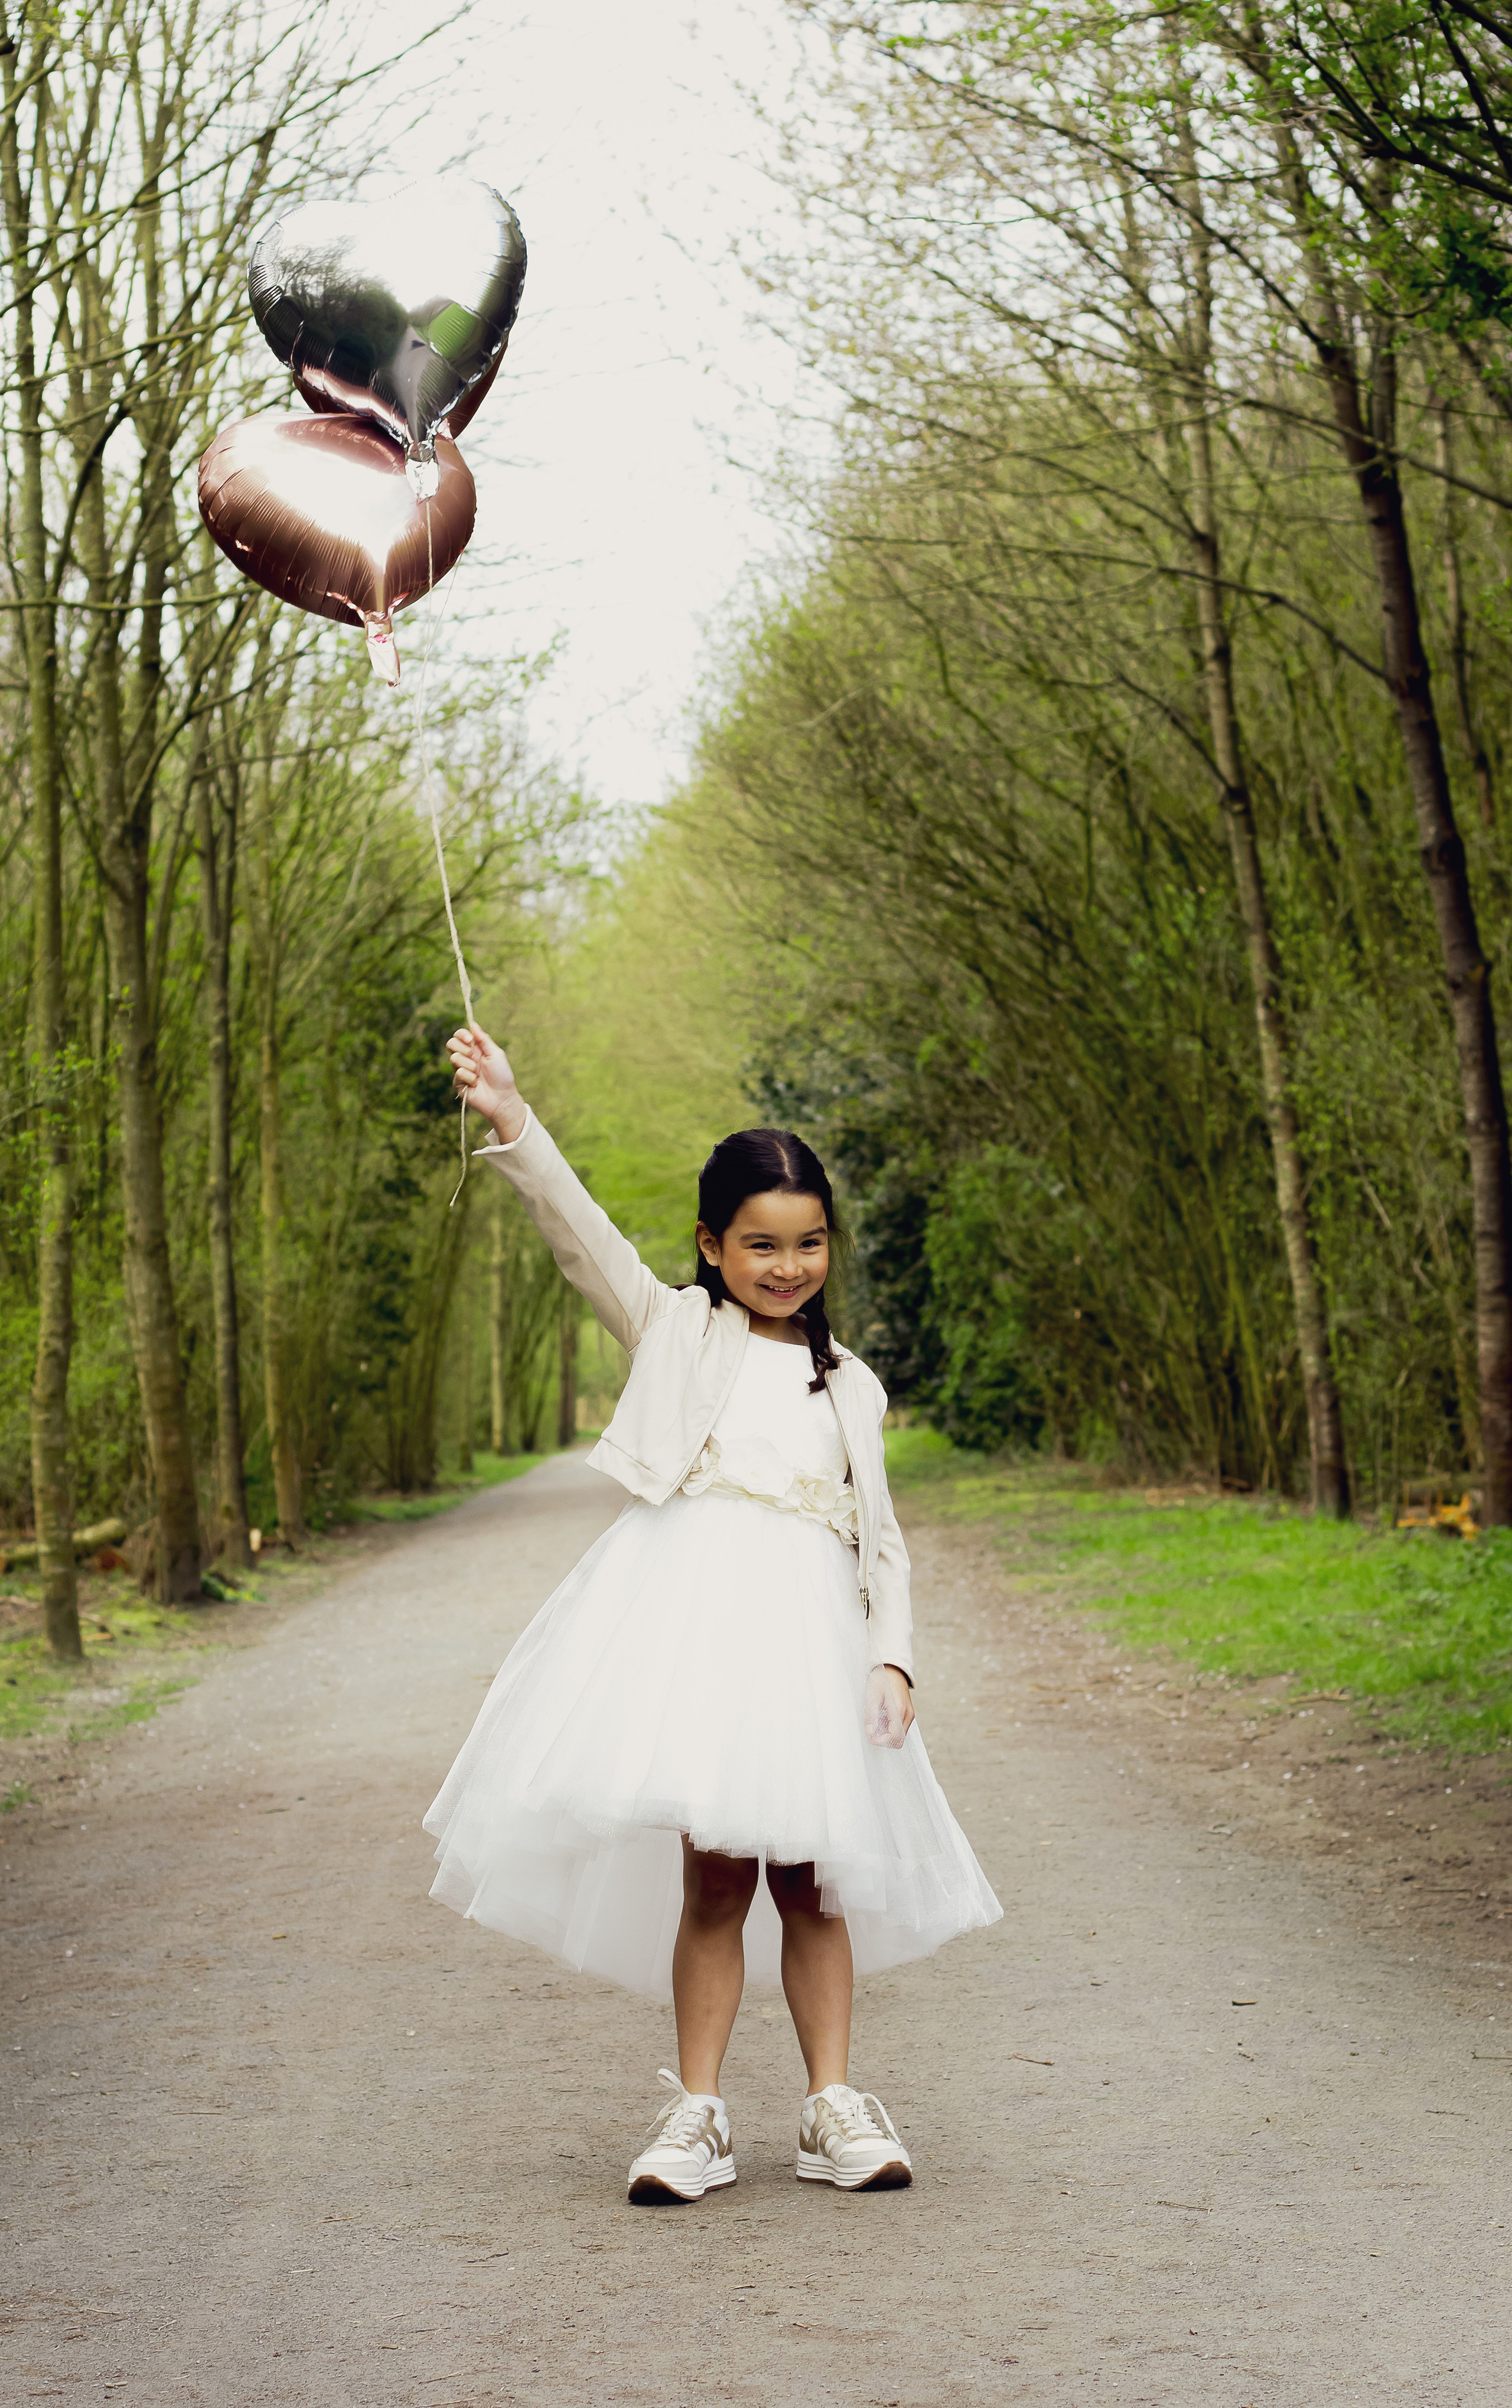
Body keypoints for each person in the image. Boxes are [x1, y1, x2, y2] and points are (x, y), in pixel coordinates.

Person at [425, 1022, 1001, 2204]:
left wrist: (893, 1660)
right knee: (718, 1881)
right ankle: (696, 2112)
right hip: (700, 1641)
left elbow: (876, 1541)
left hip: (810, 1651)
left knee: (814, 1881)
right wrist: (512, 1118)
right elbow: (581, 1241)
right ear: (710, 1243)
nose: (785, 1265)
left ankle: (830, 2104)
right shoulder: (679, 1329)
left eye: (806, 1243)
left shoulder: (850, 1385)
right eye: (758, 1243)